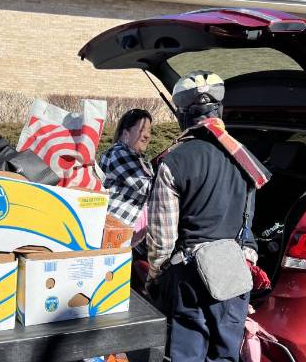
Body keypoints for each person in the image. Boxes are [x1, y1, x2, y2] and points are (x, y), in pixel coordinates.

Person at [146, 71, 271, 362]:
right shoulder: (245, 159)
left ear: (183, 115)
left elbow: (162, 240)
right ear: (220, 110)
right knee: (226, 356)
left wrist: (154, 276)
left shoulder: (174, 161)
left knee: (185, 355)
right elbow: (247, 221)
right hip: (234, 274)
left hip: (190, 278)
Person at [99, 108, 153, 243]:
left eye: (149, 130)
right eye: (141, 130)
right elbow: (148, 187)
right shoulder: (118, 153)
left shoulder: (139, 158)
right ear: (125, 133)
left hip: (121, 234)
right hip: (110, 233)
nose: (147, 135)